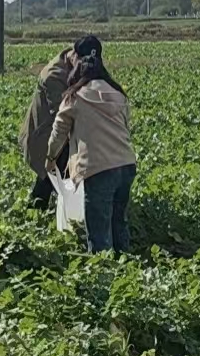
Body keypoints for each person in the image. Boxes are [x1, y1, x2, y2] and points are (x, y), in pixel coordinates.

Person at [48, 50, 137, 254]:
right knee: (118, 221)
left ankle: (104, 274)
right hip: (126, 165)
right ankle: (127, 265)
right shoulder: (118, 94)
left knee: (99, 229)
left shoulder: (75, 97)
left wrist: (51, 157)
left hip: (99, 168)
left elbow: (58, 132)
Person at [21, 36, 98, 210]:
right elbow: (63, 116)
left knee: (57, 175)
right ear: (74, 56)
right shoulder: (54, 75)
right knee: (54, 170)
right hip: (46, 132)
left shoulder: (85, 66)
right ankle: (39, 211)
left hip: (65, 132)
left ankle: (54, 209)